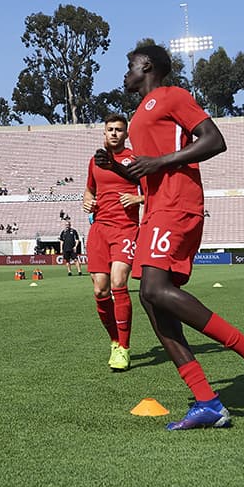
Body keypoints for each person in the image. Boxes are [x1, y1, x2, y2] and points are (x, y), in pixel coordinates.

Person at [101, 44, 244, 430]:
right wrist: (118, 164)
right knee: (153, 303)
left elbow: (214, 140)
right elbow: (148, 163)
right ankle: (207, 401)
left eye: (130, 65)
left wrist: (159, 163)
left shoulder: (174, 96)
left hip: (177, 203)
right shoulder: (139, 114)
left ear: (147, 65)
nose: (125, 72)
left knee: (154, 290)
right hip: (154, 208)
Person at [84, 114, 143, 371]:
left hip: (126, 229)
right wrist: (87, 201)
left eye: (119, 130)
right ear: (104, 133)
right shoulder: (95, 162)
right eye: (110, 129)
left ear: (126, 134)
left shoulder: (135, 160)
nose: (114, 134)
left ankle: (125, 349)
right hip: (99, 230)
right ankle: (114, 342)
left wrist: (137, 199)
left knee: (119, 281)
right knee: (100, 290)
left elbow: (155, 192)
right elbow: (90, 190)